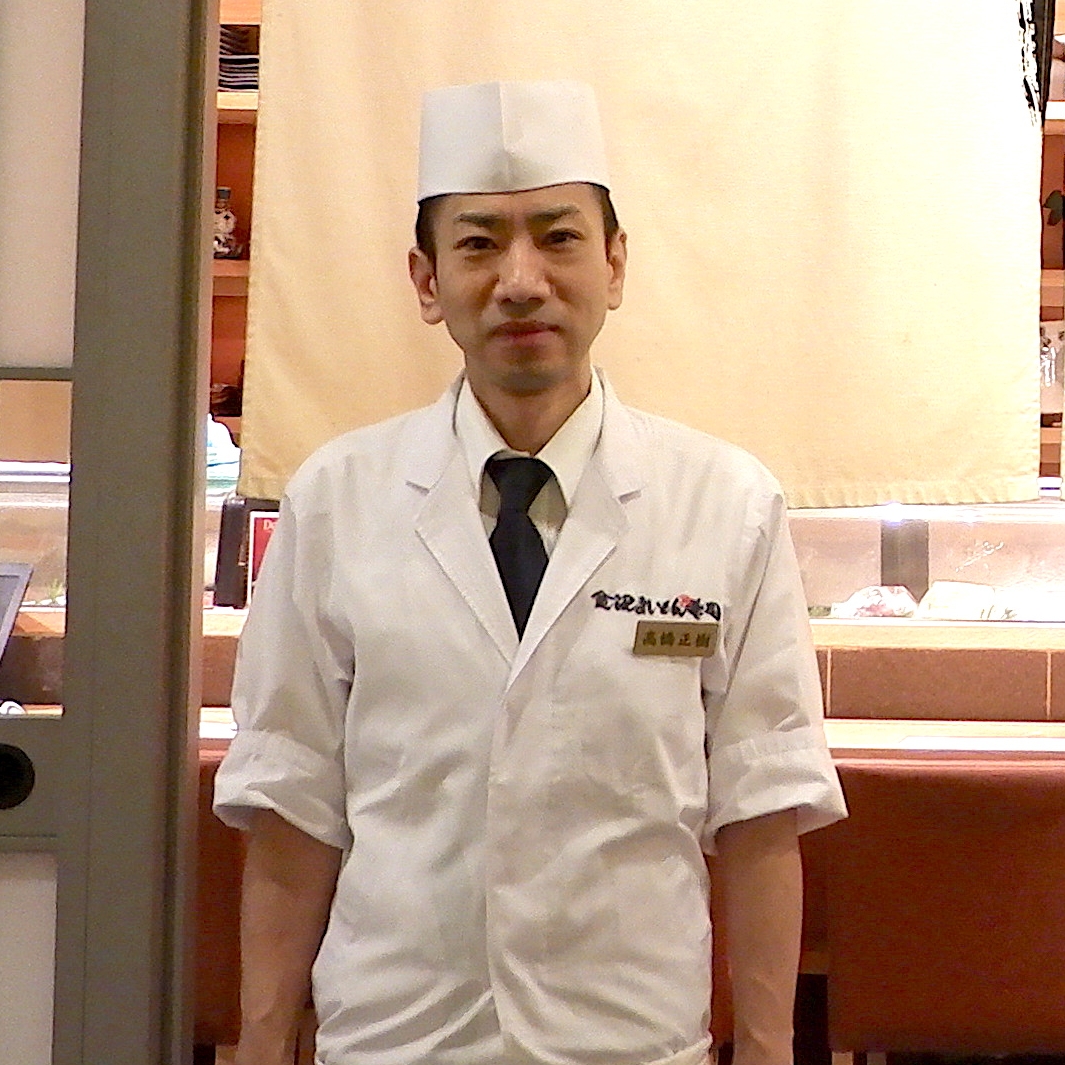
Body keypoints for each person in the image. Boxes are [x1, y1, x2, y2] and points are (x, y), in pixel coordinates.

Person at [214, 78, 847, 1065]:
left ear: (615, 264)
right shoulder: (337, 498)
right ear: (426, 280)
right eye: (478, 244)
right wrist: (261, 1045)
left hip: (628, 1040)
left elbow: (761, 809)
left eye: (558, 238)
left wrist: (767, 1052)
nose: (520, 280)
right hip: (396, 1038)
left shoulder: (725, 503)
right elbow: (293, 803)